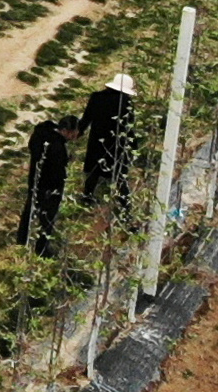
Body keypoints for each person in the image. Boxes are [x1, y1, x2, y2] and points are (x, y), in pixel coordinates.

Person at [19, 118, 80, 258]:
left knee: (30, 210)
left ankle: (22, 242)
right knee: (47, 218)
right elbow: (56, 170)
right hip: (50, 187)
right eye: (73, 133)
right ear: (65, 131)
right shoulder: (57, 147)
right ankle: (42, 249)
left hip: (35, 179)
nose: (74, 136)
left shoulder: (42, 135)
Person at [79, 73, 138, 207]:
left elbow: (86, 118)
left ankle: (87, 197)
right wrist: (133, 146)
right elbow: (128, 128)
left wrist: (79, 132)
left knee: (94, 170)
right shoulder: (126, 104)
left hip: (97, 140)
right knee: (119, 174)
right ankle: (125, 203)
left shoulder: (96, 97)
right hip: (116, 143)